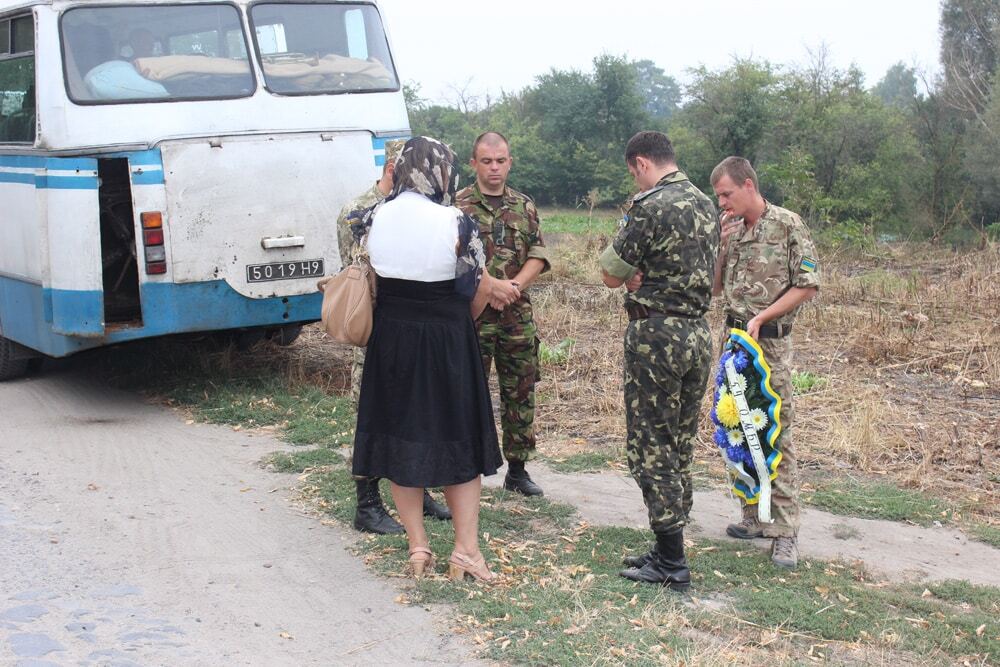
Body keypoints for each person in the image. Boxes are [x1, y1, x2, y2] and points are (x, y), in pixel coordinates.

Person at [351, 136, 511, 581]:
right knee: (459, 442)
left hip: (392, 341)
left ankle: (418, 547)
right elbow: (476, 290)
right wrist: (457, 327)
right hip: (447, 339)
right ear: (443, 171)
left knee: (401, 439)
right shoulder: (458, 221)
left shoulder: (372, 217)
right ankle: (466, 552)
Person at [599, 131, 719, 590]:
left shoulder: (649, 206)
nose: (634, 178)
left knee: (651, 444)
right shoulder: (707, 204)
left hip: (656, 336)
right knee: (679, 441)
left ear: (642, 163)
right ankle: (668, 542)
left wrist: (635, 281)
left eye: (633, 171)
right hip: (695, 333)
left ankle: (671, 560)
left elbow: (611, 273)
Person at [336, 139, 452, 534]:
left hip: (407, 329)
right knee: (371, 418)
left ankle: (417, 490)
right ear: (395, 169)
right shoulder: (363, 211)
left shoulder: (414, 209)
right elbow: (363, 261)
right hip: (376, 327)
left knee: (413, 413)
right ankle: (367, 503)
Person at [711, 156, 819, 569]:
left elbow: (807, 284)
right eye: (719, 196)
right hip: (734, 342)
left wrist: (763, 316)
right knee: (738, 426)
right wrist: (721, 246)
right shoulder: (734, 230)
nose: (722, 203)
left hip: (769, 345)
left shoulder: (787, 224)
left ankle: (785, 531)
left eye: (726, 194)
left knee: (775, 432)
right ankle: (755, 514)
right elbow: (717, 288)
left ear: (749, 185)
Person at [455, 132, 550, 497]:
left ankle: (518, 469)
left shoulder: (524, 206)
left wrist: (513, 288)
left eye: (501, 160)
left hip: (515, 314)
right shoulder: (457, 206)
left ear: (510, 162)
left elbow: (538, 255)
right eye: (487, 161)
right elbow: (452, 258)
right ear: (474, 163)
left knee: (521, 391)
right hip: (472, 314)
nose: (494, 168)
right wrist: (490, 287)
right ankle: (463, 467)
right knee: (464, 392)